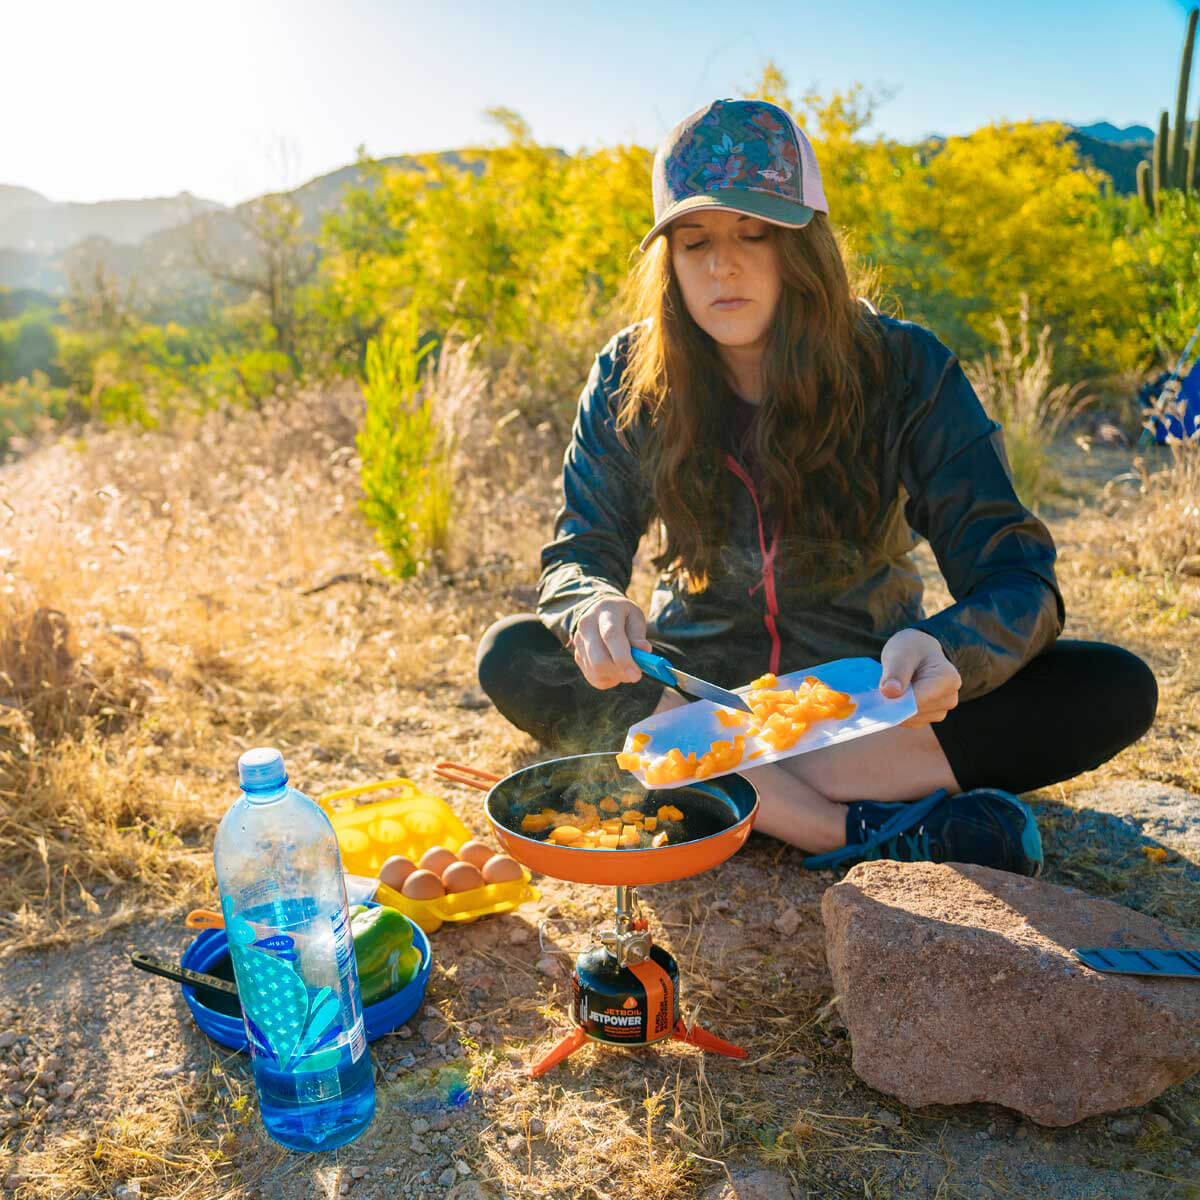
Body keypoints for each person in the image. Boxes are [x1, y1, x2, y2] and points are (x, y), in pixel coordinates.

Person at [476, 98, 1158, 876]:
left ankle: (729, 793)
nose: (719, 265)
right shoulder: (629, 375)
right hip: (697, 692)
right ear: (668, 261)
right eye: (693, 241)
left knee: (1111, 685)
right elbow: (578, 553)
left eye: (753, 234)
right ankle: (846, 829)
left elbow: (1016, 578)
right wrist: (591, 603)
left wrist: (943, 649)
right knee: (515, 653)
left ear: (805, 244)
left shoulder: (906, 368)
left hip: (866, 705)